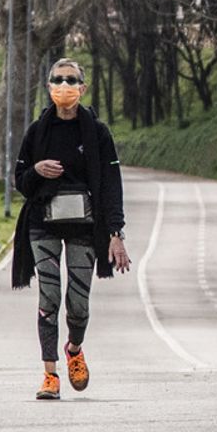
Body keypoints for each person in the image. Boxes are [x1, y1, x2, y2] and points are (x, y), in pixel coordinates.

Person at [12, 58, 129, 400]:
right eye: (58, 80)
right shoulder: (37, 131)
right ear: (49, 87)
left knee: (78, 304)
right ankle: (49, 375)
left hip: (84, 226)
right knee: (48, 299)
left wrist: (116, 233)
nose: (64, 86)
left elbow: (111, 184)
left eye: (71, 80)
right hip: (42, 224)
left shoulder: (98, 133)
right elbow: (20, 179)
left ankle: (74, 348)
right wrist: (37, 170)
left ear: (83, 87)